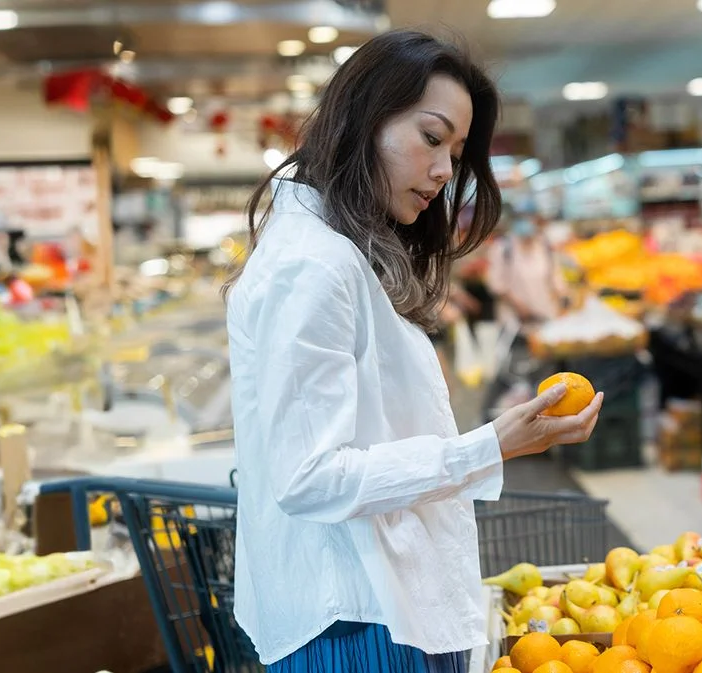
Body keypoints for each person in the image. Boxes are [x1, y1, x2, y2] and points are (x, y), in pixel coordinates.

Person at [222, 30, 605, 673]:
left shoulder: (331, 251)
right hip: (356, 621)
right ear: (363, 120)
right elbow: (309, 479)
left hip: (377, 605)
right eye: (432, 138)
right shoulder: (312, 266)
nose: (444, 172)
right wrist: (489, 445)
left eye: (455, 151)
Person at [484, 209, 568, 329]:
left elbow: (556, 278)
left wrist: (563, 301)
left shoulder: (544, 245)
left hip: (546, 315)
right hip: (515, 321)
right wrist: (520, 307)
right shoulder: (503, 248)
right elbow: (496, 285)